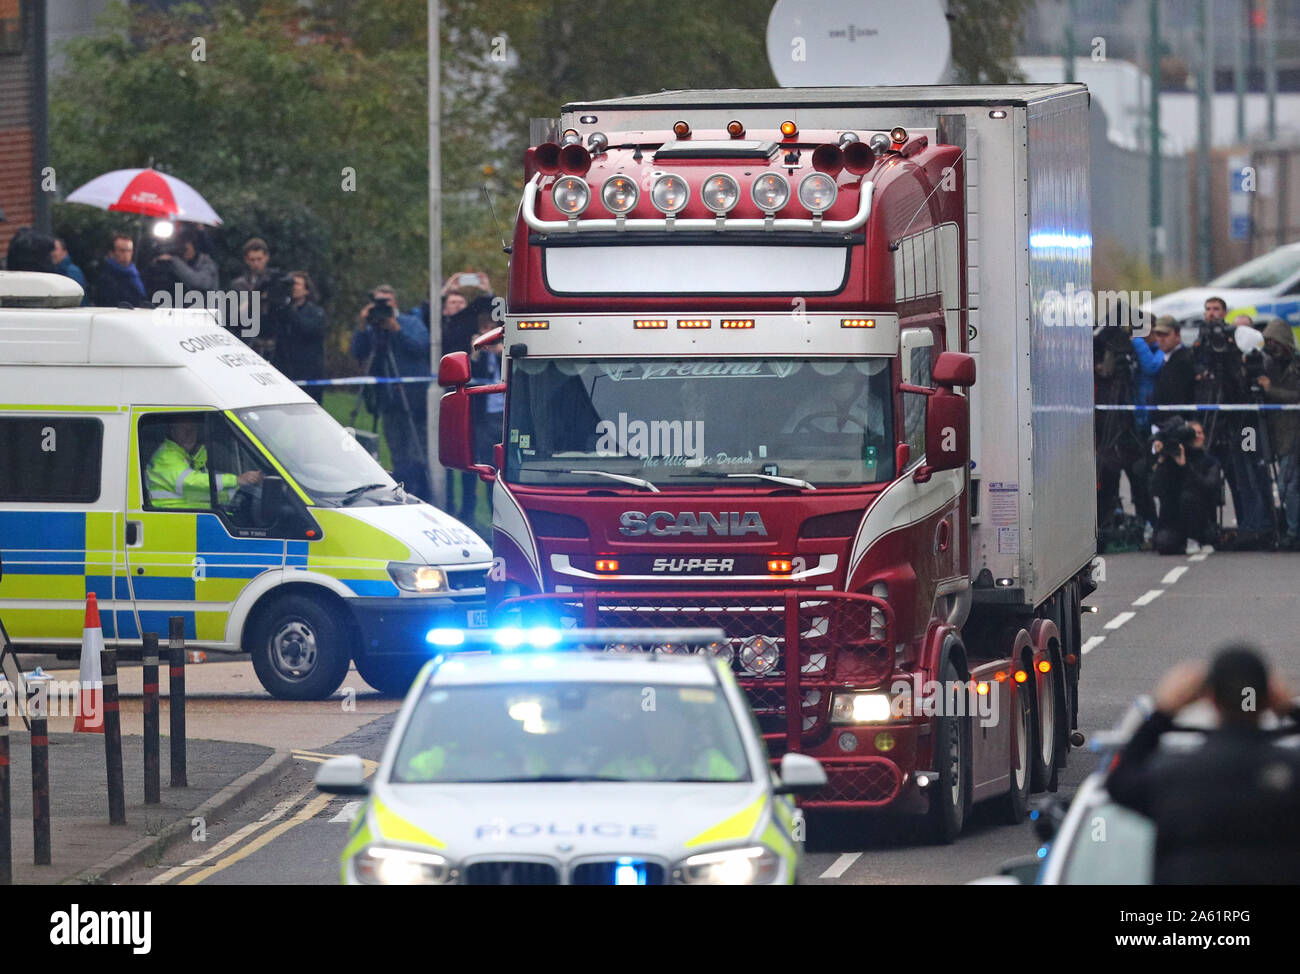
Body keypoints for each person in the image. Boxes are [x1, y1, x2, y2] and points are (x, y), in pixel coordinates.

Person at [1106, 646, 1300, 884]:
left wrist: (1162, 713)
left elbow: (1118, 783)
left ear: (1210, 698)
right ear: (1269, 697)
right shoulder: (1291, 773)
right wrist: (1290, 709)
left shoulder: (1174, 775)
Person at [350, 284, 432, 500]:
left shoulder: (410, 322)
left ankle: (421, 491)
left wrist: (397, 329)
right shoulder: (372, 329)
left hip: (413, 400)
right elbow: (357, 353)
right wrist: (362, 323)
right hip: (388, 400)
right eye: (377, 302)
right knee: (397, 451)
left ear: (394, 302)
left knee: (416, 452)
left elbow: (422, 347)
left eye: (385, 302)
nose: (382, 308)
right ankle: (400, 489)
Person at [146, 417, 262, 509]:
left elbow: (202, 492)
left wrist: (238, 490)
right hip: (170, 521)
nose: (189, 434)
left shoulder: (188, 457)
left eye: (193, 429)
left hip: (188, 517)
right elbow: (191, 483)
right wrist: (236, 480)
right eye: (183, 429)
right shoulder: (167, 456)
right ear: (172, 431)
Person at [1258, 318, 1300, 550]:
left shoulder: (1296, 365)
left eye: (1274, 341)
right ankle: (1289, 528)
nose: (1270, 346)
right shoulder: (1268, 364)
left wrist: (1270, 389)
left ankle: (1293, 531)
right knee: (1288, 484)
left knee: (1287, 485)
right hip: (1274, 432)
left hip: (1294, 433)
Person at [1149, 418, 1219, 555]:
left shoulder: (1210, 461)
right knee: (1164, 544)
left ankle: (1195, 539)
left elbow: (1209, 486)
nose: (1198, 436)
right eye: (1194, 433)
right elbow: (1155, 489)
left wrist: (1185, 466)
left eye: (1200, 433)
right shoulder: (1171, 459)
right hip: (1174, 520)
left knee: (1188, 496)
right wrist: (1162, 460)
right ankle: (1181, 542)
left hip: (1200, 519)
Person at [465, 311, 505, 526]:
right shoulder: (480, 353)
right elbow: (471, 377)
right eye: (483, 329)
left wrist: (500, 352)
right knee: (488, 466)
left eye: (491, 328)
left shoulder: (506, 350)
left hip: (503, 414)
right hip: (484, 417)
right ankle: (491, 516)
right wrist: (475, 354)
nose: (487, 333)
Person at [271, 271, 328, 404]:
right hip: (284, 367)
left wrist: (288, 309)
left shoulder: (315, 312)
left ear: (307, 290)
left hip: (308, 371)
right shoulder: (281, 310)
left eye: (296, 284)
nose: (293, 287)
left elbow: (308, 329)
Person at [229, 237, 290, 358]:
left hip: (273, 338)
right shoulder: (239, 284)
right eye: (252, 260)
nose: (256, 264)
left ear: (266, 257)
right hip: (249, 338)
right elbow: (237, 315)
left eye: (259, 259)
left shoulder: (275, 280)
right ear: (246, 260)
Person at [152, 226, 218, 301]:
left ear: (195, 247)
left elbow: (197, 282)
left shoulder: (207, 263)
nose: (182, 251)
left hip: (205, 309)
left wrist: (174, 261)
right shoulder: (177, 264)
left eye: (185, 248)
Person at [1150, 317, 1195, 426]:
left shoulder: (1185, 359)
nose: (1161, 339)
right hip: (1162, 422)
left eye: (1165, 334)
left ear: (1177, 334)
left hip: (1178, 423)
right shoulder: (1165, 359)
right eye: (1158, 334)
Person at [95, 233, 148, 308]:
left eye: (129, 250)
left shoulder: (136, 274)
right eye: (122, 251)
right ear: (112, 253)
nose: (126, 254)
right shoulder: (106, 278)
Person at [49, 237, 89, 304]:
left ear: (64, 252)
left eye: (55, 249)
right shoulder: (55, 271)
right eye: (51, 250)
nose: (52, 253)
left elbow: (77, 298)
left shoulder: (73, 272)